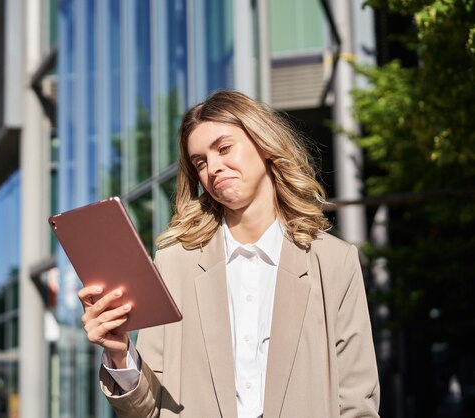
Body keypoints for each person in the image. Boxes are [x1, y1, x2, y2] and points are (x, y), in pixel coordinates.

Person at [79, 90, 380, 417]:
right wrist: (120, 353)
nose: (214, 168)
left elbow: (357, 401)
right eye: (201, 162)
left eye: (224, 148)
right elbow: (150, 409)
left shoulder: (333, 261)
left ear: (264, 144)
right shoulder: (175, 263)